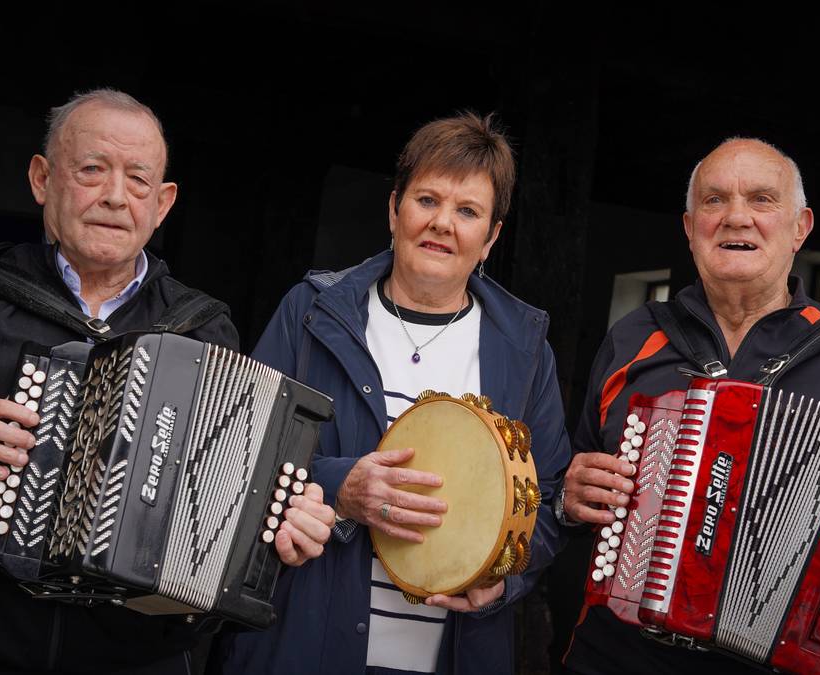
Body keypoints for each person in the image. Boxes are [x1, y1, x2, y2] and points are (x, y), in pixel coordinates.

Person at [0, 89, 335, 674]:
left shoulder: (203, 329)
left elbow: (227, 501)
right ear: (43, 180)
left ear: (163, 203)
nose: (116, 197)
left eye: (139, 181)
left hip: (139, 662)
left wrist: (280, 524)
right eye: (92, 170)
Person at [558, 138, 820, 674]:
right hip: (617, 657)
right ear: (689, 226)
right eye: (714, 200)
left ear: (801, 227)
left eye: (763, 200)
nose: (736, 218)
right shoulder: (634, 337)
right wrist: (569, 495)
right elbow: (570, 491)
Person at [213, 112, 569, 674]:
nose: (443, 224)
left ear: (491, 237)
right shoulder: (310, 314)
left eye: (468, 211)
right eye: (427, 200)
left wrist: (504, 583)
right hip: (302, 646)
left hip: (454, 656)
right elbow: (232, 455)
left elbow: (547, 499)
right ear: (394, 209)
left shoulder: (524, 350)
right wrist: (338, 488)